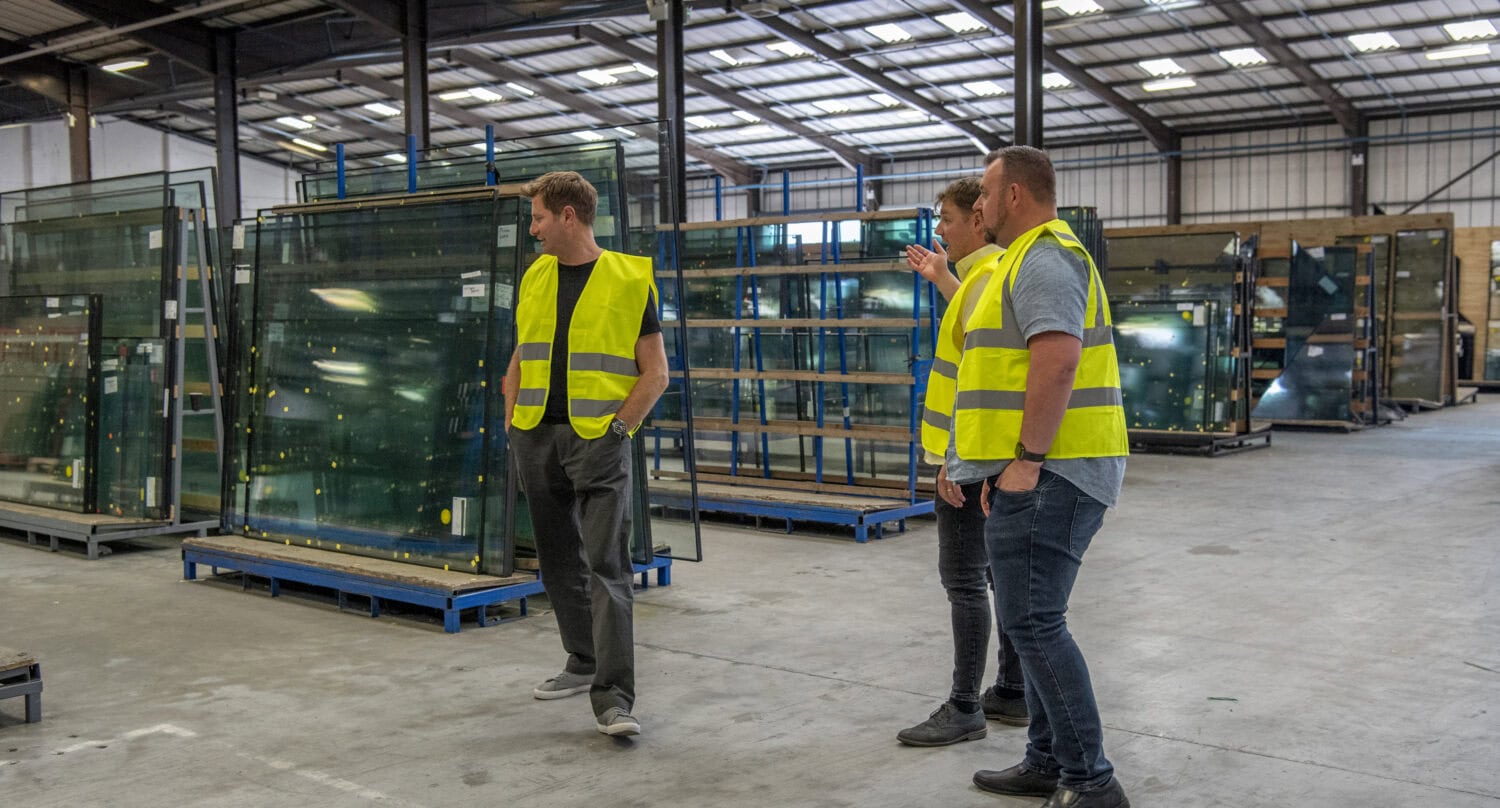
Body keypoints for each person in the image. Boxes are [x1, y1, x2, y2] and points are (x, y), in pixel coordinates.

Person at [952, 147, 1132, 808]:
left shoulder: (1045, 258)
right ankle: (1047, 759)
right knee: (1031, 619)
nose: (979, 207)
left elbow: (1056, 362)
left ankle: (1092, 783)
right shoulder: (1025, 260)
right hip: (1039, 468)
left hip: (1053, 468)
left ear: (1017, 196)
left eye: (987, 194)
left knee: (1034, 623)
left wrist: (1026, 459)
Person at [503, 170, 669, 738]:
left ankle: (614, 700)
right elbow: (521, 353)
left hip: (598, 441)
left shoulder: (629, 278)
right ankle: (581, 660)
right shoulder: (535, 275)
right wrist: (512, 420)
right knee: (557, 562)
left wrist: (619, 431)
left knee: (607, 568)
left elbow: (656, 374)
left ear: (568, 216)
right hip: (535, 436)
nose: (534, 230)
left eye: (540, 218)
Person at [896, 177, 1029, 748]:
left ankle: (964, 706)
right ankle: (1012, 692)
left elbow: (981, 377)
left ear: (979, 219)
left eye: (947, 220)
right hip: (990, 457)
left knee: (965, 581)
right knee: (1001, 579)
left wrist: (953, 458)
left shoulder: (990, 275)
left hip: (971, 458)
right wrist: (944, 277)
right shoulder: (988, 276)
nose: (939, 230)